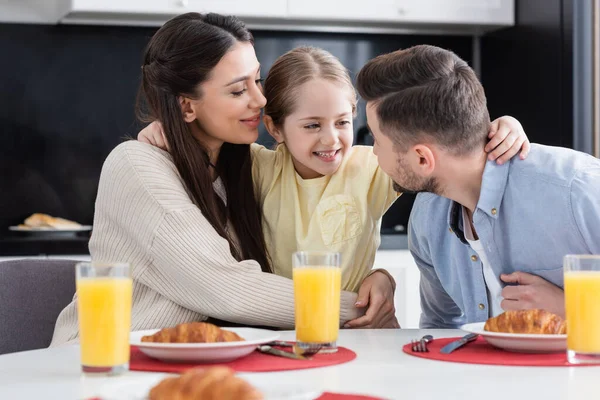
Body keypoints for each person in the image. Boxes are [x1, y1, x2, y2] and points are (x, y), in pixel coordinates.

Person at [137, 32, 531, 328]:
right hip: (282, 332)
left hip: (362, 329)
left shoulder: (371, 166)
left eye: (342, 122)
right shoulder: (255, 168)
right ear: (274, 127)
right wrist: (163, 131)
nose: (331, 139)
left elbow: (444, 148)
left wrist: (502, 125)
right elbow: (195, 146)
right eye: (311, 125)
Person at [50, 13, 395, 345]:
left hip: (197, 363)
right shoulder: (135, 167)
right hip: (104, 364)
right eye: (237, 90)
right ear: (187, 107)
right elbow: (226, 287)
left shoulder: (242, 169)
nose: (260, 100)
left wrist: (378, 278)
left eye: (256, 81)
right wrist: (362, 309)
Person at [356, 44, 600, 328]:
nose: (373, 152)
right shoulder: (427, 220)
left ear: (423, 158)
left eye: (377, 140)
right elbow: (440, 329)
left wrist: (571, 308)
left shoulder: (577, 190)